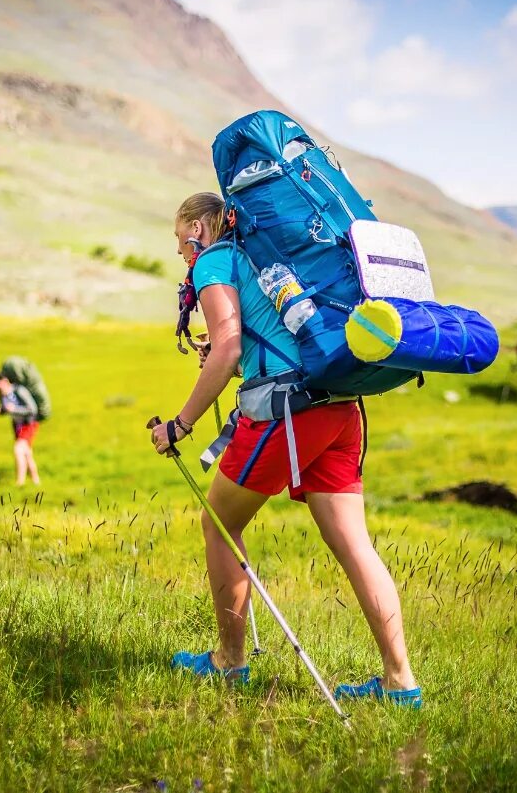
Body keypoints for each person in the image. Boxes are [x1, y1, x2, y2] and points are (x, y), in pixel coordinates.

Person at [149, 192, 421, 708]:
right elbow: (247, 342)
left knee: (219, 524)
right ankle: (400, 683)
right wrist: (235, 350)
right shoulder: (269, 258)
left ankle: (228, 664)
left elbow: (227, 348)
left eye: (181, 242)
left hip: (287, 415)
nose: (183, 257)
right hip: (341, 407)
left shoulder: (214, 261)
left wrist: (180, 426)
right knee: (355, 546)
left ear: (198, 231)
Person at [0, 373, 40, 486]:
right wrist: (1, 411)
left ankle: (20, 481)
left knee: (18, 450)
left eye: (0, 387)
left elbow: (32, 409)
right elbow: (6, 408)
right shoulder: (1, 395)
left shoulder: (19, 391)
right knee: (27, 453)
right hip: (17, 425)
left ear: (6, 382)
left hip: (28, 423)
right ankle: (36, 480)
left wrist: (15, 409)